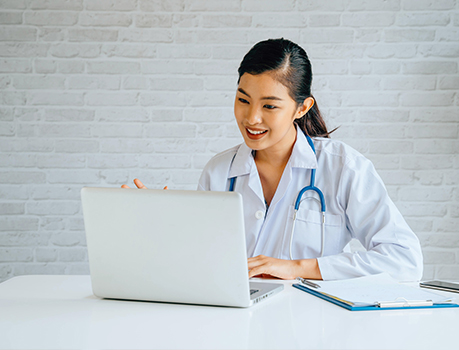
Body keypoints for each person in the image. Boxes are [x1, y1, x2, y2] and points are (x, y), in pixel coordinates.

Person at [123, 38, 423, 281]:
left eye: (269, 105)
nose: (251, 118)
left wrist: (298, 268)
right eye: (243, 100)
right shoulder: (219, 172)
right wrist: (158, 226)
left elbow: (404, 260)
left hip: (312, 325)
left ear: (302, 108)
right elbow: (201, 263)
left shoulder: (342, 167)